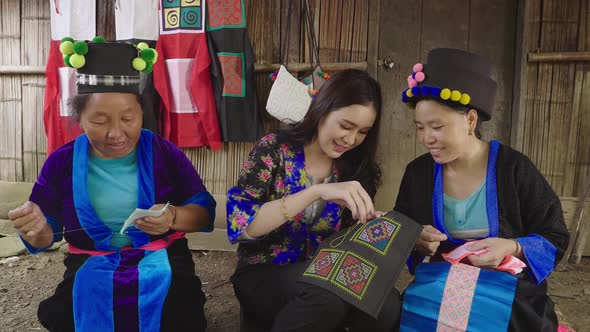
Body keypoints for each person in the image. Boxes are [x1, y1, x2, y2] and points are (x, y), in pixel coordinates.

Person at [7, 40, 216, 332]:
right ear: (79, 118)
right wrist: (40, 231)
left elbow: (205, 212)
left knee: (179, 310)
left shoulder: (164, 152)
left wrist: (174, 217)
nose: (116, 133)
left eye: (128, 118)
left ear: (143, 113)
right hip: (91, 263)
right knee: (67, 313)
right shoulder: (61, 162)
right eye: (100, 120)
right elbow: (44, 234)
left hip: (161, 257)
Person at [394, 48, 570, 331]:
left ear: (471, 120)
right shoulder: (419, 173)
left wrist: (512, 245)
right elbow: (400, 227)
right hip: (439, 281)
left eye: (437, 126)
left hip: (507, 286)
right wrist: (415, 237)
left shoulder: (514, 168)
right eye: (420, 127)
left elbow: (555, 235)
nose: (427, 138)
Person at [227, 69, 401, 332]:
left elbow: (346, 242)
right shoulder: (273, 150)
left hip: (324, 272)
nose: (351, 139)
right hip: (264, 272)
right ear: (322, 109)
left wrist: (367, 227)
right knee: (325, 293)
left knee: (385, 304)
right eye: (345, 125)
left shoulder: (355, 168)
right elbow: (241, 227)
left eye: (363, 131)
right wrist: (315, 192)